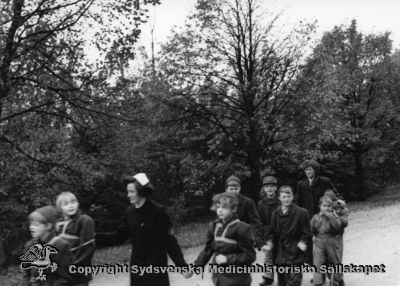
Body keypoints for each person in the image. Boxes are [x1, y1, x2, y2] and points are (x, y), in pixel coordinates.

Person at [95, 173, 190, 286]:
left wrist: (182, 266)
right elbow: (119, 237)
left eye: (132, 192)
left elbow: (170, 242)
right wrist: (94, 237)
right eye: (128, 192)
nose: (128, 195)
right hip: (137, 268)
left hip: (155, 269)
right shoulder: (129, 212)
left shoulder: (158, 212)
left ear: (142, 191)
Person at [194, 192, 256, 286]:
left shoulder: (242, 228)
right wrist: (197, 266)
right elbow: (208, 249)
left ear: (233, 209)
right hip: (219, 278)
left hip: (238, 279)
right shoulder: (214, 226)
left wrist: (227, 259)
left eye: (224, 207)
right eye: (218, 207)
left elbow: (250, 256)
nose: (220, 210)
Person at [295, 159, 342, 264]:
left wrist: (337, 205)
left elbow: (335, 195)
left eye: (310, 170)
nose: (308, 172)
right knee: (308, 242)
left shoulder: (324, 181)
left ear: (315, 170)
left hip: (322, 216)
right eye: (306, 170)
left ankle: (326, 267)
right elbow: (298, 201)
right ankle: (314, 269)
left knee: (323, 242)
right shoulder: (301, 184)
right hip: (308, 217)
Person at [267, 186, 311, 286]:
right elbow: (272, 232)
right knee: (282, 280)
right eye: (284, 197)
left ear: (293, 197)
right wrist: (269, 242)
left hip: (295, 249)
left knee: (295, 280)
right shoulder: (275, 213)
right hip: (281, 250)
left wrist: (302, 242)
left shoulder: (302, 213)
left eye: (289, 196)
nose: (286, 199)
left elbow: (307, 233)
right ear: (279, 198)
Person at [22, 206, 74, 286]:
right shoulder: (29, 245)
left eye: (36, 225)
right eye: (31, 224)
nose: (31, 227)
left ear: (48, 226)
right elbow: (26, 275)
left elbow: (65, 278)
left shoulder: (60, 246)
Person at [55, 192, 96, 286]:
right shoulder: (57, 224)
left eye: (73, 202)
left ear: (77, 204)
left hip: (78, 270)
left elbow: (88, 246)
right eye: (66, 204)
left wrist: (73, 266)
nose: (70, 206)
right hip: (61, 270)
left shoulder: (85, 220)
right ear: (60, 207)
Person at [311, 196, 343, 286]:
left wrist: (331, 217)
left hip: (331, 241)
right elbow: (311, 228)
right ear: (319, 206)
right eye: (324, 206)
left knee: (334, 261)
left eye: (329, 206)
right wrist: (313, 236)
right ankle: (317, 282)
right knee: (317, 262)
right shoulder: (315, 217)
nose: (326, 208)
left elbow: (337, 227)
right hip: (319, 242)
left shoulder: (334, 216)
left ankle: (338, 279)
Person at [224, 175, 263, 248]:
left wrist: (256, 238)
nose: (234, 191)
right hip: (227, 237)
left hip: (243, 237)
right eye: (231, 189)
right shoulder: (222, 202)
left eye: (236, 189)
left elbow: (255, 222)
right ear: (226, 189)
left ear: (240, 188)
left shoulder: (248, 202)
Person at [257, 176, 280, 286]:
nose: (269, 189)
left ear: (276, 188)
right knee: (268, 256)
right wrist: (262, 236)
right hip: (268, 232)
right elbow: (259, 221)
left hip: (280, 232)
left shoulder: (281, 201)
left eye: (272, 186)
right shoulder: (261, 203)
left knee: (281, 256)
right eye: (267, 186)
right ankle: (268, 277)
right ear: (264, 189)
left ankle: (283, 276)